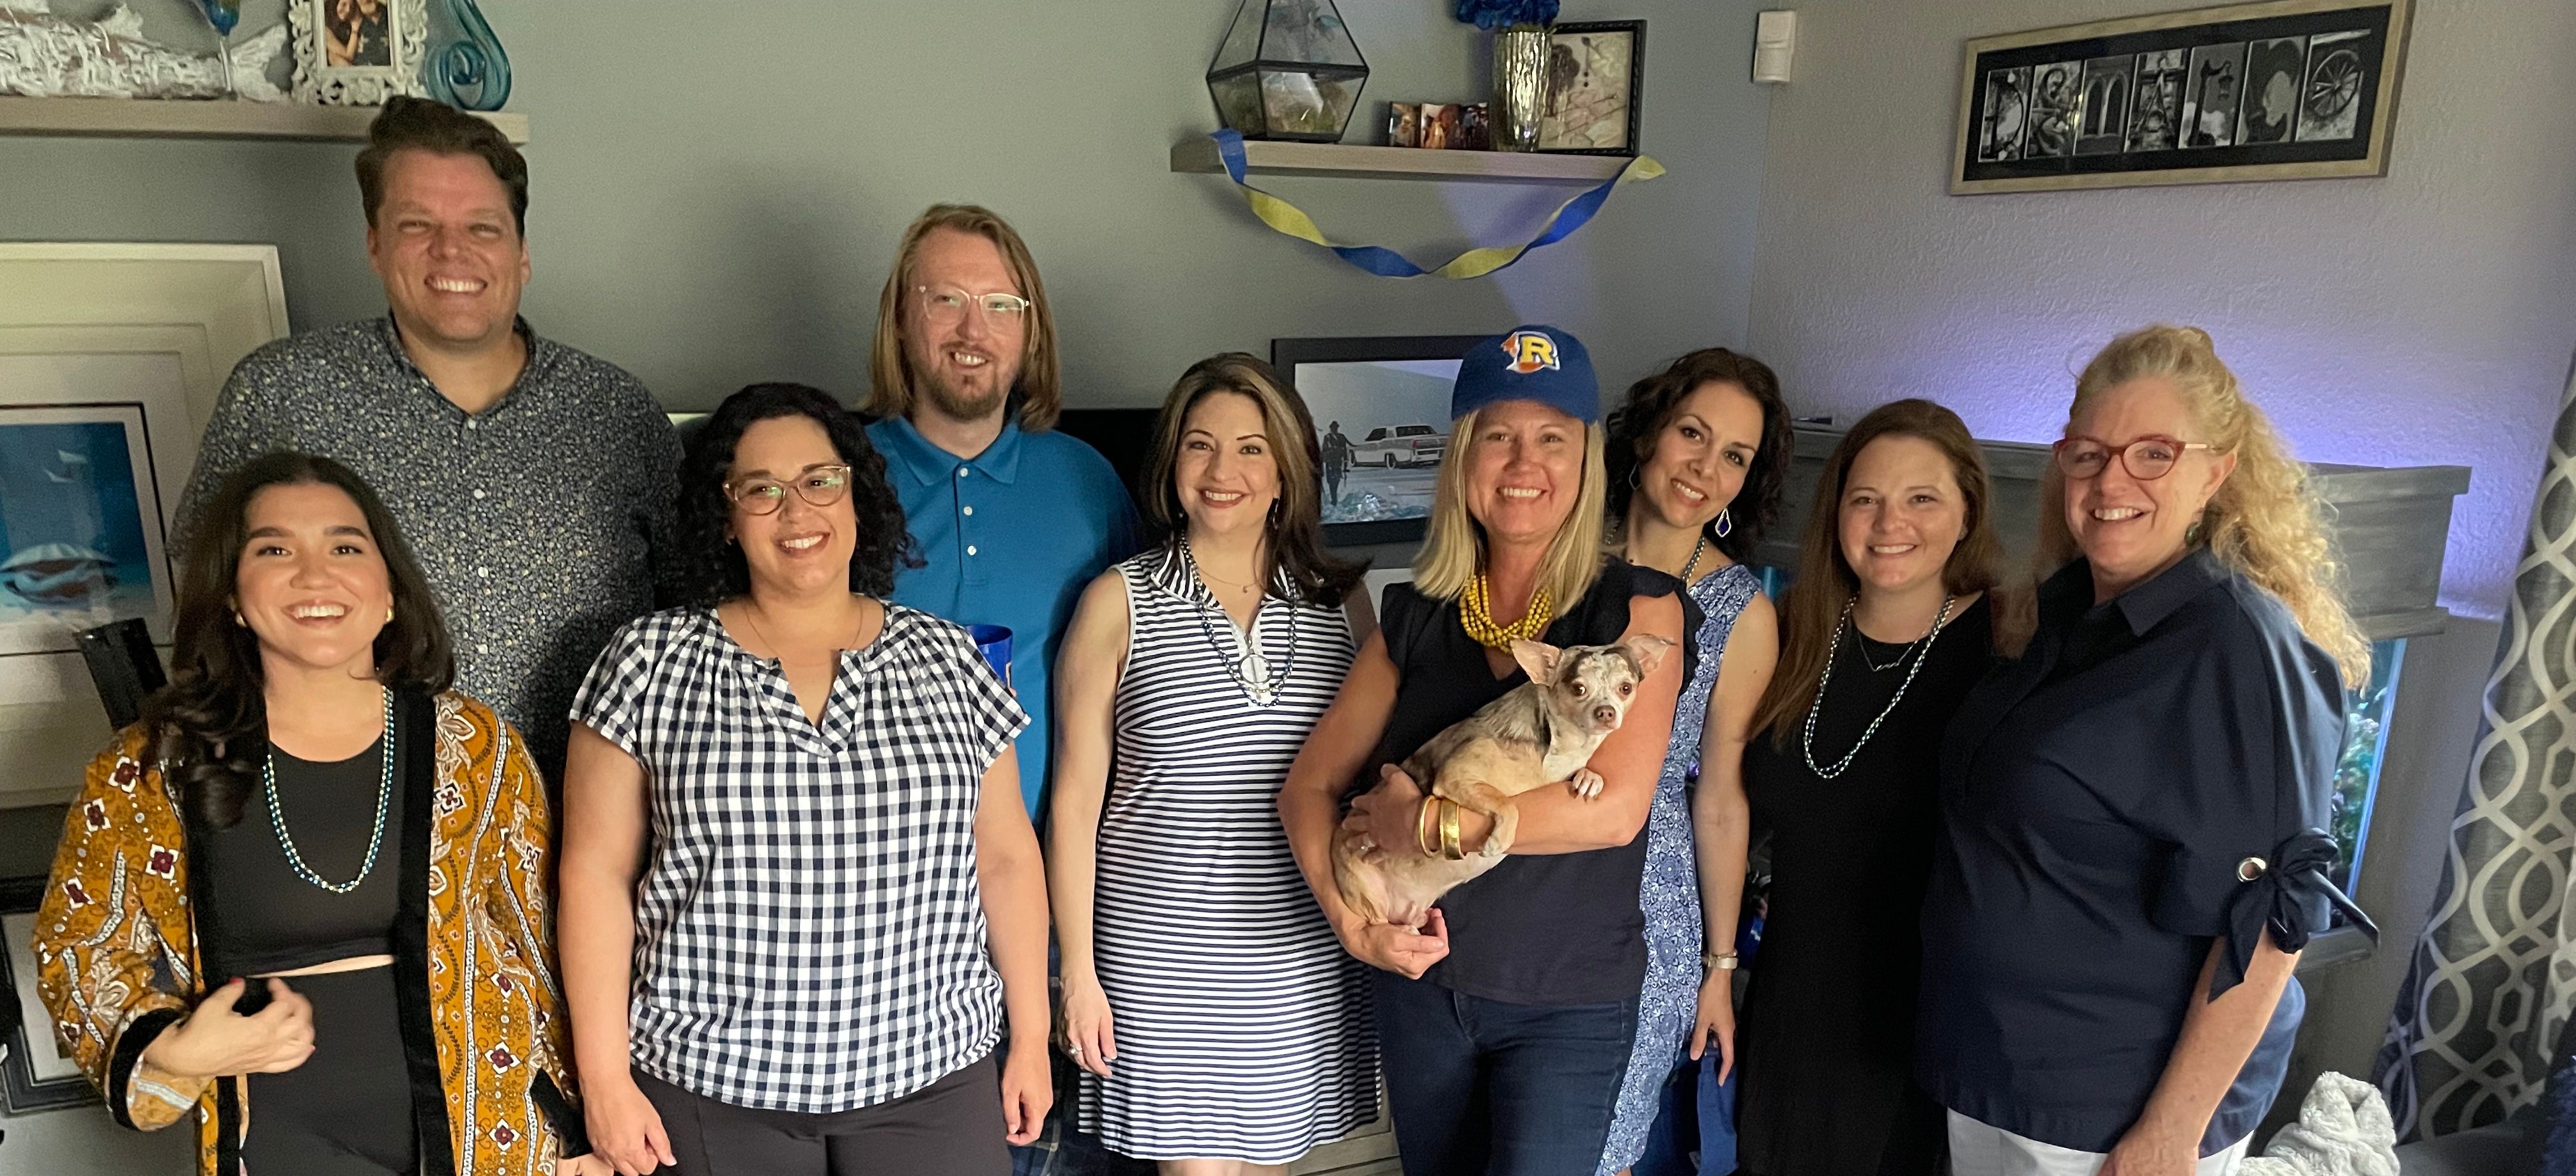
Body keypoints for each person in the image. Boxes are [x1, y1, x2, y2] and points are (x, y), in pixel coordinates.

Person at [36, 452, 597, 1176]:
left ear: (388, 589)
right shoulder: (152, 769)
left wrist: (584, 1127)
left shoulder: (476, 747)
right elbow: (78, 942)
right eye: (274, 549)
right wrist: (173, 1053)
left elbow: (541, 940)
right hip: (276, 1142)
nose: (314, 574)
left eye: (345, 546)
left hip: (493, 1133)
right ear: (234, 595)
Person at [561, 384, 1052, 1176]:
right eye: (761, 489)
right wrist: (605, 1080)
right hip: (708, 1082)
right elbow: (595, 876)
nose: (797, 511)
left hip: (930, 1077)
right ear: (723, 515)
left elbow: (1004, 857)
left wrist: (1030, 1036)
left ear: (858, 495)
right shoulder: (648, 660)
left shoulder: (949, 660)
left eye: (821, 480)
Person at [1921, 325, 2373, 1176]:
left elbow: (2272, 927)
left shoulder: (2238, 647)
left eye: (2153, 454)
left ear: (2218, 471)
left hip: (2110, 1110)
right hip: (2000, 1075)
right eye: (2088, 454)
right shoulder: (2064, 614)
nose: (2110, 481)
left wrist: (2170, 1135)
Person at [1281, 325, 1688, 1176]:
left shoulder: (1639, 612)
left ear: (1588, 460)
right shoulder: (1416, 614)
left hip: (1566, 1004)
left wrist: (1424, 825)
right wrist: (1352, 924)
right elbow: (1307, 788)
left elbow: (1612, 810)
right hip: (1424, 995)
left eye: (1552, 438)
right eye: (1497, 435)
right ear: (1464, 456)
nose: (1521, 462)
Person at [176, 95, 680, 784]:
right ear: (375, 244)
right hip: (357, 820)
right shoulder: (280, 394)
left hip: (595, 821)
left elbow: (697, 610)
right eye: (418, 225)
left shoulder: (619, 412)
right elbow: (209, 596)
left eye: (483, 226)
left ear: (522, 252)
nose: (453, 251)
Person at [1050, 355, 1378, 1175]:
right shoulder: (1116, 600)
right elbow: (1075, 806)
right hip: (1160, 956)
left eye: (1250, 449)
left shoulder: (1344, 603)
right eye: (1200, 446)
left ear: (1285, 472)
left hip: (1300, 947)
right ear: (1172, 465)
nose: (1223, 471)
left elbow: (1374, 783)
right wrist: (1078, 975)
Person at [1733, 400, 2017, 1176]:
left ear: (1967, 511)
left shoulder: (2011, 646)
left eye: (1921, 498)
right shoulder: (1790, 628)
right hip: (1789, 1001)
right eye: (1866, 499)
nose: (1890, 522)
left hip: (1922, 1022)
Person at [864, 204, 1138, 821]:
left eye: (1000, 306)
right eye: (946, 300)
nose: (973, 331)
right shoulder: (837, 483)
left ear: (1029, 330)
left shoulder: (1088, 482)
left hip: (1057, 871)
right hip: (885, 881)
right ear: (902, 320)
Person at [1593, 349, 1792, 1176]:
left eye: (1735, 457)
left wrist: (1718, 969)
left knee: (1599, 1153)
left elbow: (1720, 800)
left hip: (1651, 909)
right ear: (1647, 432)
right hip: (1517, 875)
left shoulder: (1740, 611)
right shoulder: (1558, 553)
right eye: (1692, 433)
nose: (1705, 468)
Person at [1322, 421, 1353, 508]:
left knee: (1337, 480)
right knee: (1331, 482)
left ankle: (1334, 500)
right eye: (1333, 428)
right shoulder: (1327, 437)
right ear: (1331, 428)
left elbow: (1345, 450)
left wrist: (1346, 462)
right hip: (1330, 463)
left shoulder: (1341, 437)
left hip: (1338, 463)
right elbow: (1325, 450)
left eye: (1336, 427)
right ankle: (1334, 499)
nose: (1335, 429)